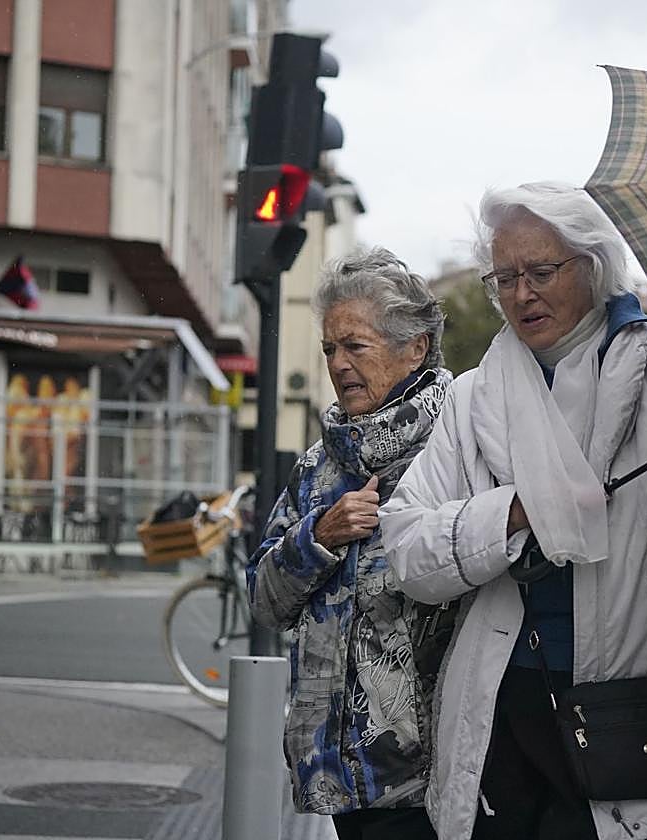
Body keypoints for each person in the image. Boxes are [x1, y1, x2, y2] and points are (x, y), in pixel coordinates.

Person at [380, 182, 647, 840]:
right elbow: (407, 549)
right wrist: (518, 512)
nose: (521, 293)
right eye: (505, 277)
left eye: (542, 272)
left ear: (595, 266)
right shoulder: (472, 398)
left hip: (637, 709)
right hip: (503, 706)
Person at [247, 247, 451, 840]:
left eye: (355, 346)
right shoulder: (319, 466)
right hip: (339, 773)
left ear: (415, 348)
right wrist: (318, 536)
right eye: (329, 349)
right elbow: (263, 600)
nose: (339, 364)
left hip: (435, 775)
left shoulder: (458, 447)